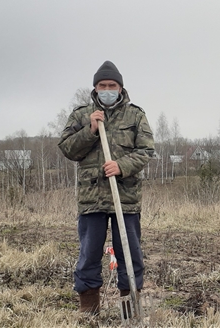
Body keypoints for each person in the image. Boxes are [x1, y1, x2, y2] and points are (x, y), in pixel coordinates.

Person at [58, 61, 155, 314]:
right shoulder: (81, 115)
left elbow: (146, 150)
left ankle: (130, 309)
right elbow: (67, 149)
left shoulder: (136, 116)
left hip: (126, 197)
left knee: (130, 254)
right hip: (92, 199)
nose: (107, 89)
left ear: (121, 88)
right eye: (102, 86)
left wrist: (121, 166)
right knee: (89, 255)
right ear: (95, 88)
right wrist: (90, 130)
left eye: (112, 85)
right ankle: (89, 309)